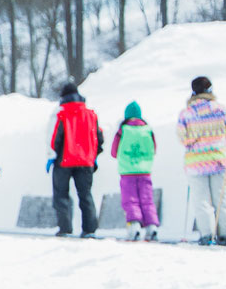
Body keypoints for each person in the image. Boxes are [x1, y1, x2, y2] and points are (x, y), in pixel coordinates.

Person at [177, 76, 226, 246]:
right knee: (221, 198)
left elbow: (183, 138)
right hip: (218, 159)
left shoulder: (187, 113)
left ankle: (207, 235)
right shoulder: (220, 109)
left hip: (196, 162)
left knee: (201, 200)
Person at [50, 81, 103, 238]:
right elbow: (99, 138)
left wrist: (53, 156)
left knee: (61, 195)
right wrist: (93, 155)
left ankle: (65, 228)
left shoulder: (61, 114)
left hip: (64, 160)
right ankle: (90, 229)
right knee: (85, 195)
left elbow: (55, 139)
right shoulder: (91, 115)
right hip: (86, 161)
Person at [111, 101, 160, 240]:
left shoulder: (123, 130)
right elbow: (154, 149)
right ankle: (152, 227)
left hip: (127, 172)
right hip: (145, 171)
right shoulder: (148, 130)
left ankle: (134, 227)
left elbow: (114, 152)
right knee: (147, 200)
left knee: (131, 200)